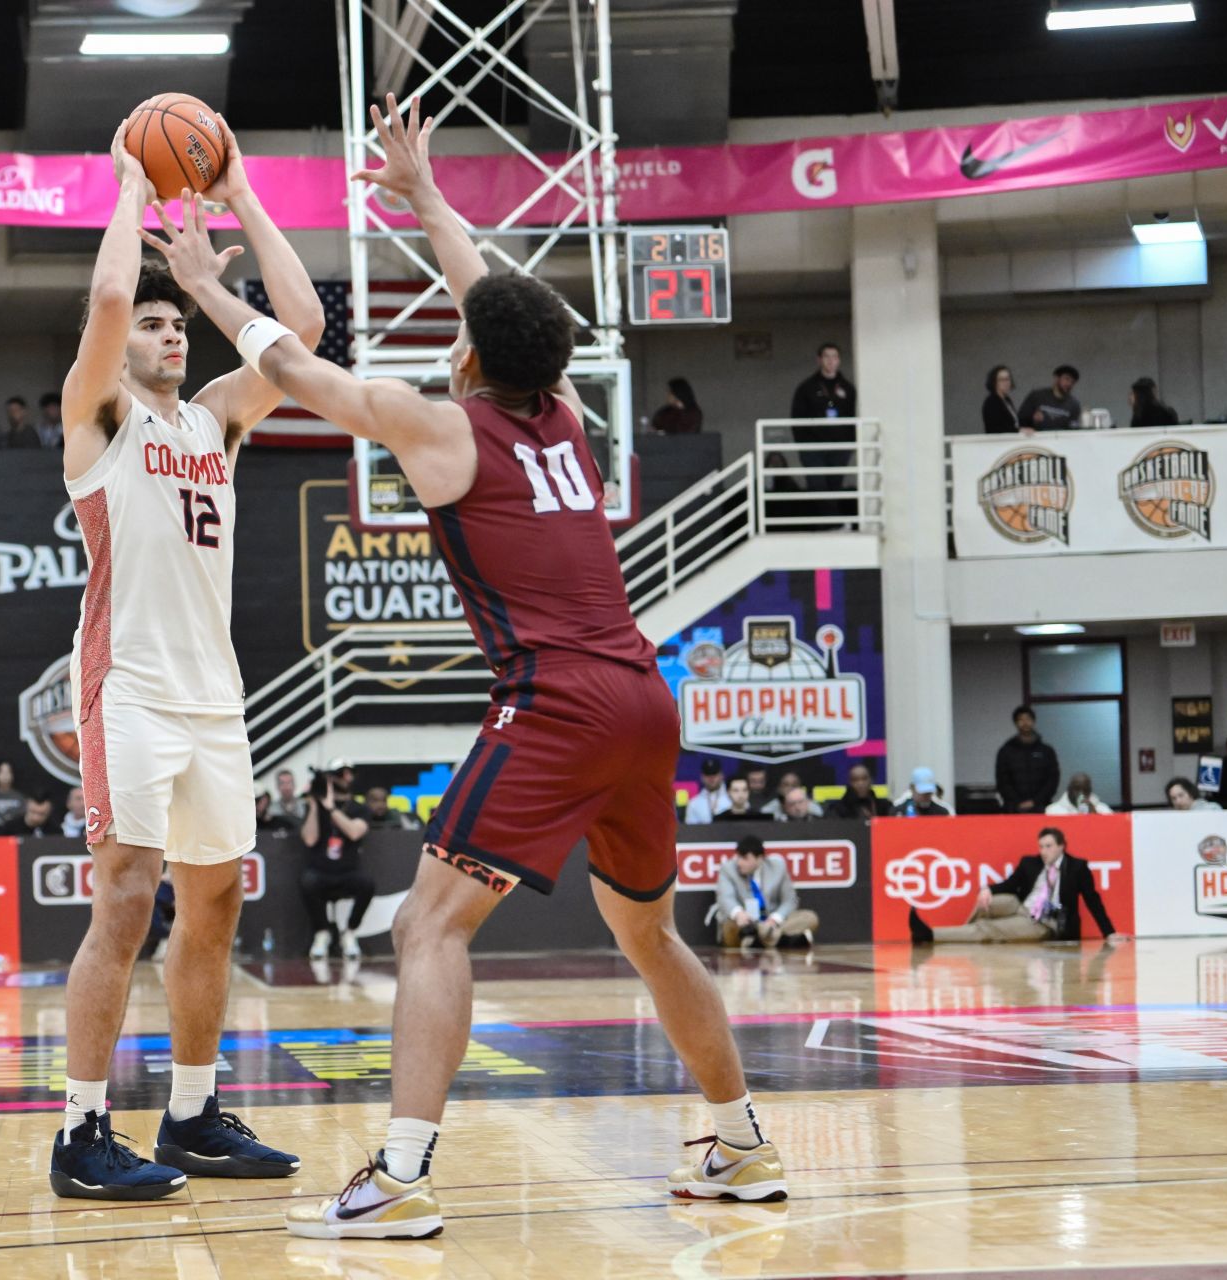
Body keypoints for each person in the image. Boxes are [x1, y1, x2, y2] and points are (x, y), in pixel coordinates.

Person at [143, 93, 786, 1235]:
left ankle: (398, 1174)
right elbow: (494, 296)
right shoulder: (568, 416)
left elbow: (299, 370)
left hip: (558, 702)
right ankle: (739, 1142)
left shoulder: (442, 424)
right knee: (647, 928)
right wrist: (428, 196)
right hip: (645, 697)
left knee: (425, 929)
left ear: (474, 352)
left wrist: (202, 282)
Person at [48, 107, 324, 1202]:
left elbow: (300, 330)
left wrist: (243, 194)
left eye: (179, 328)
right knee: (126, 900)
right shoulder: (98, 417)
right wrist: (129, 184)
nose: (170, 335)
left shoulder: (215, 418)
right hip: (132, 687)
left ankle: (196, 1112)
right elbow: (111, 302)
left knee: (216, 906)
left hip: (217, 696)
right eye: (156, 328)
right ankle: (79, 1132)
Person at [909, 827, 1121, 944]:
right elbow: (1010, 884)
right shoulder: (1030, 863)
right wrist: (987, 890)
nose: (1044, 851)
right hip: (1021, 906)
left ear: (1061, 846)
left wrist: (1109, 932)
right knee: (989, 903)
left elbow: (1093, 899)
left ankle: (930, 935)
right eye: (1041, 846)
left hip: (1044, 921)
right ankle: (967, 933)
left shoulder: (1077, 867)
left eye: (1049, 846)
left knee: (987, 928)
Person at [300, 763, 375, 960]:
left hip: (348, 871)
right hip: (321, 870)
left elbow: (354, 831)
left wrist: (331, 809)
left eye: (348, 773)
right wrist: (315, 806)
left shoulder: (359, 808)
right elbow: (309, 839)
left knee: (367, 884)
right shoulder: (317, 806)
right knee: (307, 881)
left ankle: (349, 931)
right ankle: (322, 932)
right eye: (339, 774)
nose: (345, 777)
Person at [715, 836, 817, 949]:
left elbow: (790, 900)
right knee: (730, 927)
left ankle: (757, 942)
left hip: (770, 923)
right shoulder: (728, 869)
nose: (739, 862)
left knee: (810, 917)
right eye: (738, 857)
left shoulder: (778, 867)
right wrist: (739, 914)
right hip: (744, 924)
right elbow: (725, 898)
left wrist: (774, 919)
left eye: (744, 858)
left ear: (760, 858)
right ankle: (780, 940)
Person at [788, 341, 856, 498]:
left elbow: (852, 415)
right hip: (813, 447)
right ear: (819, 360)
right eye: (827, 357)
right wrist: (804, 445)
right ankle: (831, 522)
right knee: (817, 485)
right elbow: (796, 417)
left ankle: (832, 522)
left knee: (835, 485)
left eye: (834, 357)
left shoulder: (848, 388)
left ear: (839, 360)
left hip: (839, 447)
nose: (831, 361)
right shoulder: (806, 388)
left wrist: (850, 444)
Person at [996, 705, 1061, 814]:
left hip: (1042, 806)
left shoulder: (1046, 751)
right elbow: (1002, 781)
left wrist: (1035, 801)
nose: (1025, 723)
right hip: (1013, 809)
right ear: (1016, 723)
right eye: (1021, 719)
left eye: (1028, 719)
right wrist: (1017, 802)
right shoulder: (1005, 751)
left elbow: (1052, 780)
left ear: (1033, 721)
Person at [1016, 365, 1081, 431]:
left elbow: (1073, 429)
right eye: (1067, 379)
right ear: (1056, 378)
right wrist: (1032, 419)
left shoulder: (1074, 404)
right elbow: (1020, 420)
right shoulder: (1037, 396)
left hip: (1061, 439)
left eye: (1072, 382)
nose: (1069, 384)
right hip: (1037, 439)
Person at [682, 759, 729, 825]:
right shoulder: (694, 803)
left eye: (714, 773)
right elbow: (691, 831)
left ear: (721, 775)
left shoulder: (732, 796)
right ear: (702, 777)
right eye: (708, 774)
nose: (711, 778)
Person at [981, 366, 1023, 434]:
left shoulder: (1007, 400)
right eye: (1001, 380)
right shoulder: (991, 402)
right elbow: (996, 428)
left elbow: (1014, 423)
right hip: (999, 442)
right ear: (994, 382)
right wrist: (1019, 431)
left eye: (1007, 379)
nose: (1006, 382)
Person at [1047, 772, 1113, 815]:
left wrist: (1095, 815)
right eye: (1077, 789)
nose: (1081, 793)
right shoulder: (1053, 811)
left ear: (1090, 791)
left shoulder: (1103, 810)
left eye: (1085, 790)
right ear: (1069, 789)